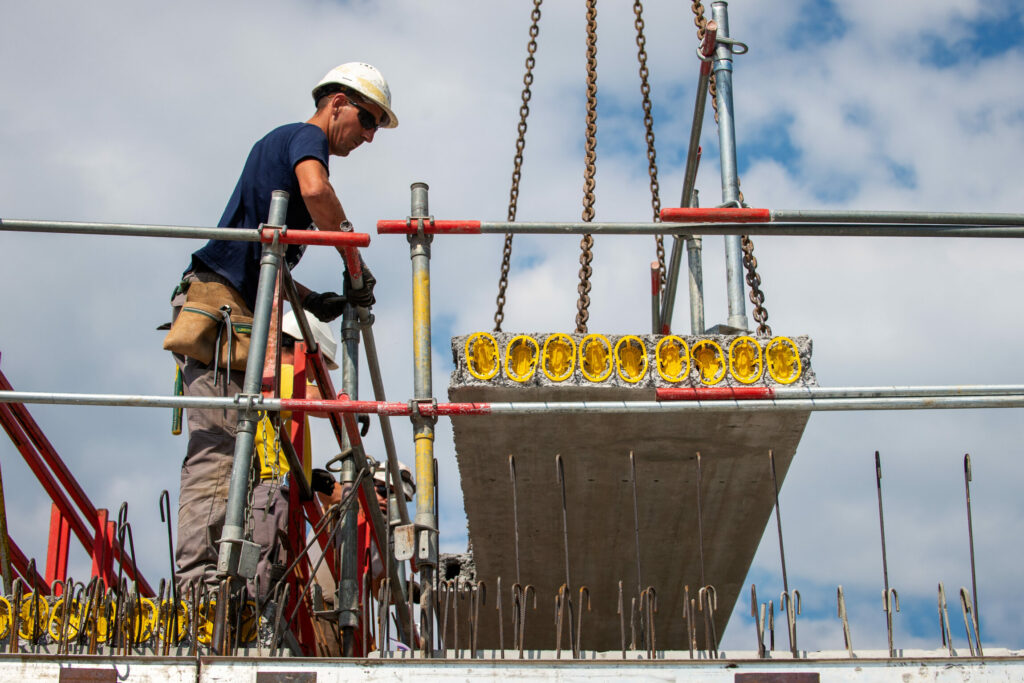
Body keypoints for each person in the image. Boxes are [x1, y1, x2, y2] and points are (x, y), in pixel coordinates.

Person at [167, 62, 398, 590]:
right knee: (223, 449)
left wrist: (316, 299)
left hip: (241, 309)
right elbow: (316, 192)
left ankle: (226, 585)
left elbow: (264, 259)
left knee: (243, 452)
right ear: (336, 102)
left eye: (375, 128)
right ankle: (202, 592)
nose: (367, 135)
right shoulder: (301, 138)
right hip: (222, 316)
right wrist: (350, 254)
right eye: (365, 119)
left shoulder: (286, 151)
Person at [250, 309, 338, 602]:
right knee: (265, 572)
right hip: (273, 493)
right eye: (321, 364)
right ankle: (258, 628)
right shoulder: (281, 374)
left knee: (274, 572)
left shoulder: (271, 377)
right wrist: (350, 405)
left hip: (282, 492)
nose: (318, 373)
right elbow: (317, 400)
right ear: (304, 349)